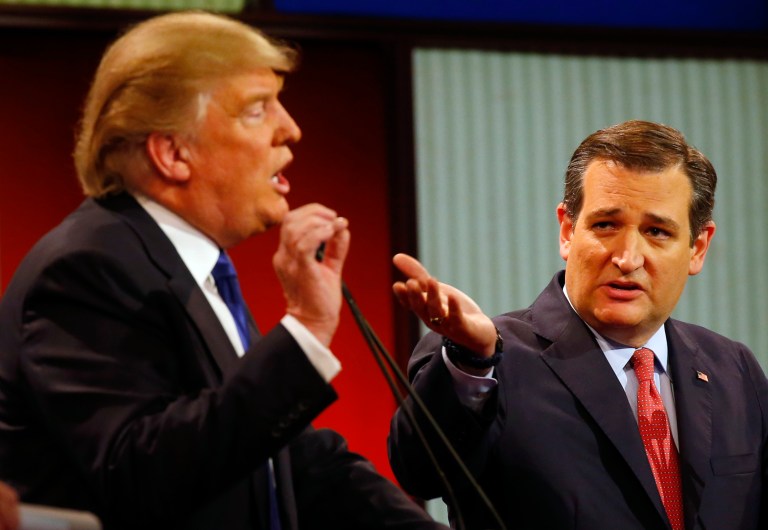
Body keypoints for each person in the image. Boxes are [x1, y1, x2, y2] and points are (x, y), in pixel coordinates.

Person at [0, 11, 447, 530]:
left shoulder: (184, 266)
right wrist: (302, 329)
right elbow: (143, 474)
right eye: (257, 109)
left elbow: (287, 464)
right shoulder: (89, 268)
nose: (291, 128)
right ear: (172, 152)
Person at [388, 120, 768, 529]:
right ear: (568, 231)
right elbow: (420, 472)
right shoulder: (488, 358)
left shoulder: (734, 368)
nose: (627, 258)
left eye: (657, 232)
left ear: (697, 248)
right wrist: (470, 361)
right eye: (606, 225)